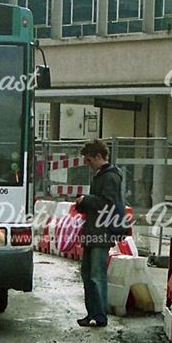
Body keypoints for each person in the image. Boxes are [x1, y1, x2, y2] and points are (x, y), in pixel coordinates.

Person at [74, 139, 124, 328]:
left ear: (98, 156)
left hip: (101, 233)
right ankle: (93, 313)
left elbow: (107, 204)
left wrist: (86, 200)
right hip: (94, 231)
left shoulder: (109, 177)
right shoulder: (102, 175)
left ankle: (100, 315)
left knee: (95, 274)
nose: (88, 165)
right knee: (88, 273)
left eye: (89, 160)